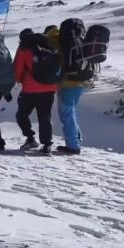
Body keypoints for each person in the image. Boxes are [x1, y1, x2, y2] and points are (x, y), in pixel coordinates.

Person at [14, 29, 57, 154]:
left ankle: (30, 138)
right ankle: (47, 145)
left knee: (21, 115)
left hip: (30, 89)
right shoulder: (47, 45)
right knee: (45, 116)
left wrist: (20, 80)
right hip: (49, 88)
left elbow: (17, 70)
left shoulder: (23, 49)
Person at [55, 20, 92, 155]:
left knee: (67, 115)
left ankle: (73, 146)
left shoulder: (60, 42)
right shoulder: (80, 41)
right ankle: (76, 140)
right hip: (81, 82)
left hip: (67, 83)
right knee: (71, 113)